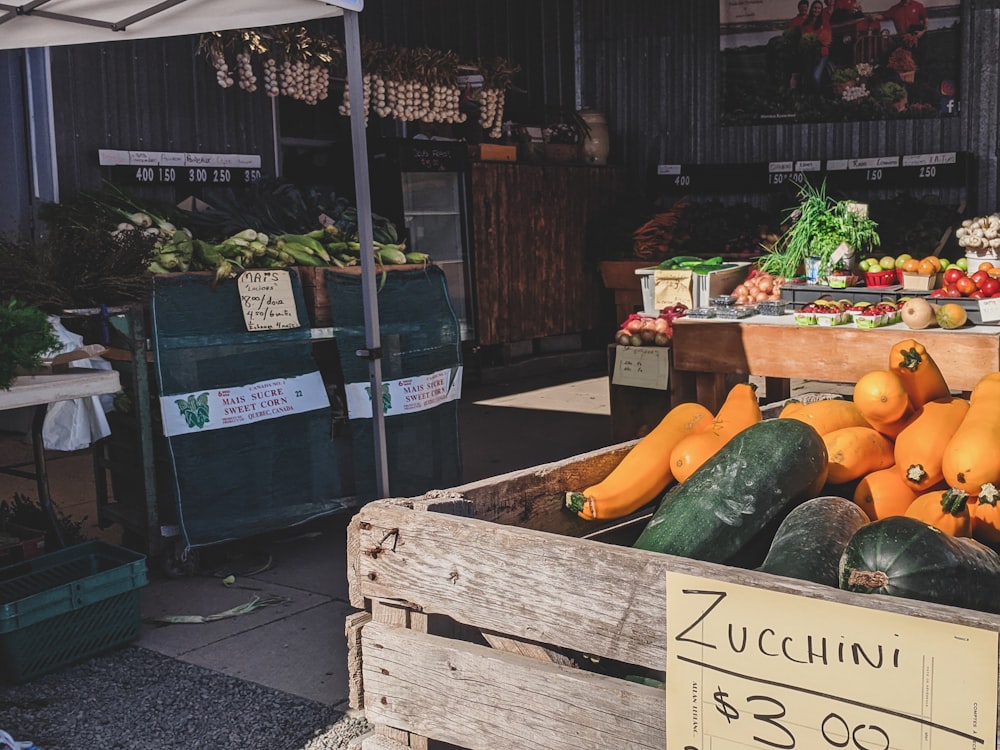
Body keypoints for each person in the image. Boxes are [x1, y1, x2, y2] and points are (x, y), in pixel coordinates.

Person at [802, 1, 833, 88]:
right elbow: (804, 38)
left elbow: (828, 39)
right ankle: (810, 96)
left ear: (821, 10)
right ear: (811, 9)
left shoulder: (825, 22)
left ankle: (818, 97)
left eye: (819, 8)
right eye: (815, 8)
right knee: (807, 77)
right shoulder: (806, 23)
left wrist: (817, 38)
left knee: (815, 76)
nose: (817, 10)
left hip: (822, 53)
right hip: (809, 53)